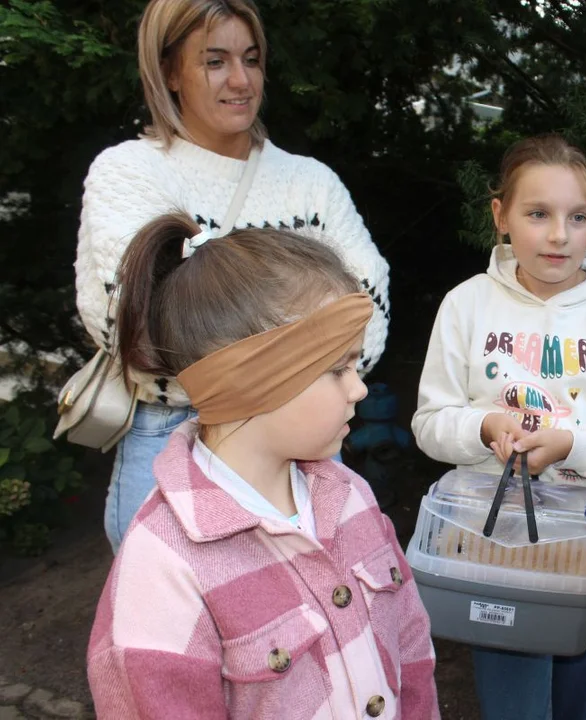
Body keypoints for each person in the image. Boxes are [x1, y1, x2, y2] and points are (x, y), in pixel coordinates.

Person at [87, 213, 436, 718]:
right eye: (339, 369)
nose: (359, 388)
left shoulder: (351, 496)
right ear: (249, 380)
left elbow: (410, 645)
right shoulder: (163, 569)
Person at [74, 0, 390, 552]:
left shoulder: (308, 183)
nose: (241, 80)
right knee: (175, 621)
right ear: (170, 70)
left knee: (314, 615)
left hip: (304, 437)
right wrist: (298, 359)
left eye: (251, 59)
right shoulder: (130, 172)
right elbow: (129, 318)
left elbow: (370, 305)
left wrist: (296, 391)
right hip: (170, 435)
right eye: (214, 61)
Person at [412, 134, 586, 720]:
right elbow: (430, 422)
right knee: (514, 700)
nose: (559, 235)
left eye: (578, 217)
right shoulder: (466, 305)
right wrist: (484, 427)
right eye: (538, 214)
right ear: (500, 216)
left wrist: (574, 443)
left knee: (580, 692)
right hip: (494, 533)